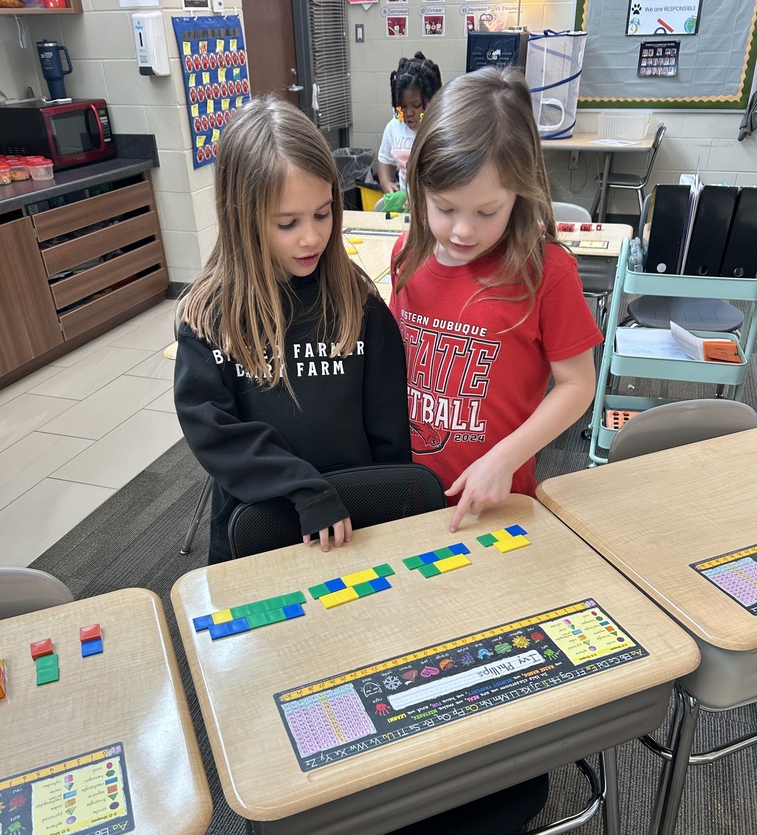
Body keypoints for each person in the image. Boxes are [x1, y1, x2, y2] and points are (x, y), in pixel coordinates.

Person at [174, 97, 411, 564]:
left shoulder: (358, 302)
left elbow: (389, 431)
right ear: (241, 218)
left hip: (353, 521)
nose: (312, 237)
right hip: (258, 524)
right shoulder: (210, 316)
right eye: (288, 223)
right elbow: (213, 431)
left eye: (323, 214)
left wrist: (393, 509)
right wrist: (302, 488)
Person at [389, 66, 601, 532]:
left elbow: (578, 384)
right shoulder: (407, 253)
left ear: (519, 195)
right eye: (445, 208)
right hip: (407, 490)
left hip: (494, 499)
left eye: (487, 212)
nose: (463, 230)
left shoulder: (546, 272)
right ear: (419, 188)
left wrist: (504, 458)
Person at [377, 52, 442, 194]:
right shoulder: (393, 127)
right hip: (406, 202)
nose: (409, 113)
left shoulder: (439, 129)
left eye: (416, 105)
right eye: (403, 106)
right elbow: (385, 161)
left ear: (430, 100)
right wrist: (387, 184)